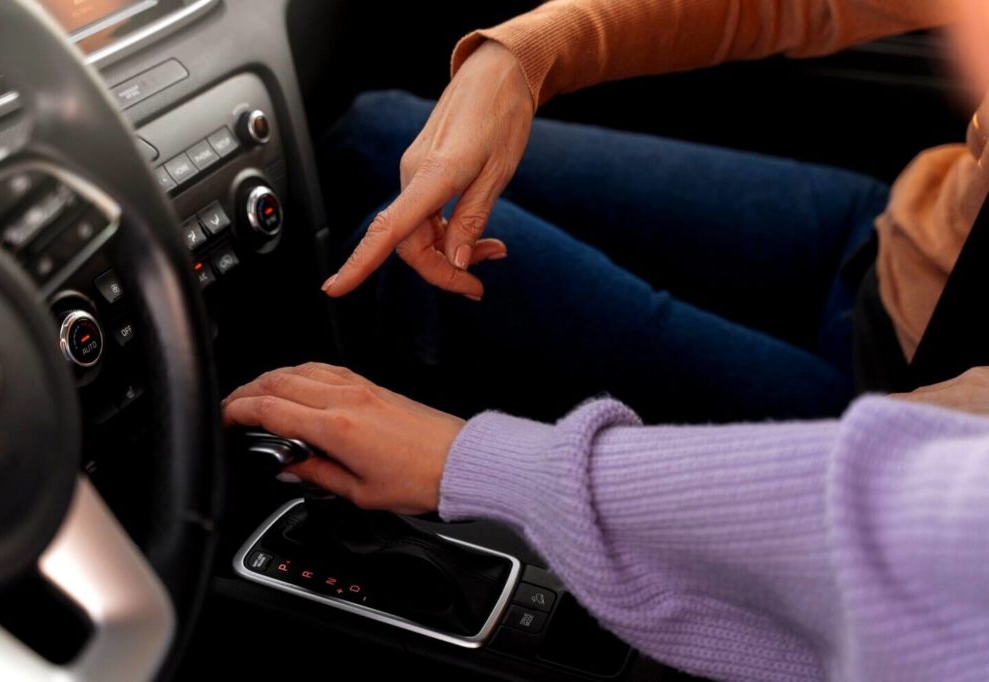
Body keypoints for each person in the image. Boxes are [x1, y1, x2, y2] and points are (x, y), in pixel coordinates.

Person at [224, 1, 989, 680]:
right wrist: (521, 57)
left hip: (898, 413)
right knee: (377, 132)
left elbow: (919, 508)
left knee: (404, 262)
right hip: (897, 233)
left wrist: (472, 461)